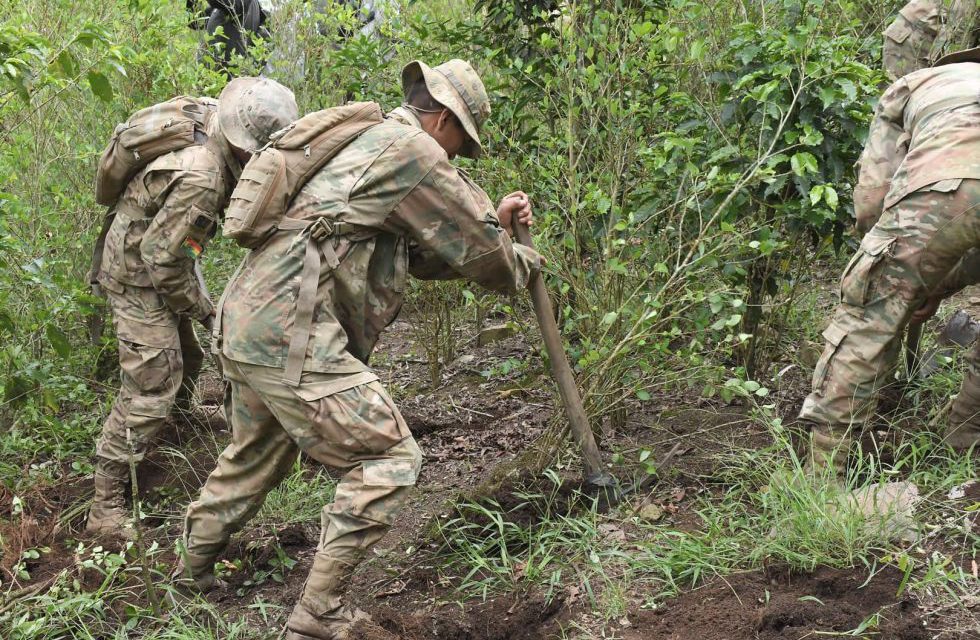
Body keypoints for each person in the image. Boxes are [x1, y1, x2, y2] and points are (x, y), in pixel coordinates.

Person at [175, 59, 543, 640]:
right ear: (444, 119)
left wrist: (492, 226)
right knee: (388, 459)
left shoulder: (366, 142)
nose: (456, 158)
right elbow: (483, 257)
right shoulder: (415, 153)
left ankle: (189, 572)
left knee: (258, 452)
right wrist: (519, 257)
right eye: (460, 145)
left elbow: (427, 254)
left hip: (247, 319)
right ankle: (318, 615)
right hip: (287, 332)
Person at [86, 77, 299, 535]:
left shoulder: (211, 116)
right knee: (151, 384)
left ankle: (172, 426)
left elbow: (177, 251)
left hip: (153, 247)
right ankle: (104, 506)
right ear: (248, 148)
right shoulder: (202, 178)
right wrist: (207, 312)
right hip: (136, 271)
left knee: (190, 356)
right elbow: (164, 263)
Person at [800, 46, 980, 475]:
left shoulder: (912, 84)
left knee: (867, 320)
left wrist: (890, 280)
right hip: (956, 196)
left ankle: (824, 477)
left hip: (948, 185)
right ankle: (968, 433)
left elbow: (871, 201)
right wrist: (937, 285)